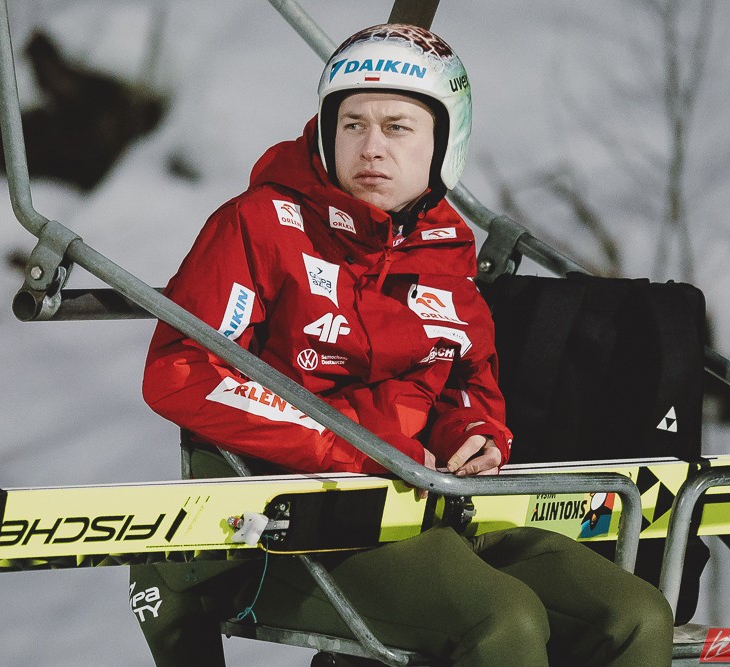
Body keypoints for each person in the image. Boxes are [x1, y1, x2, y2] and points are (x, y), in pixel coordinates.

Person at [133, 24, 673, 667]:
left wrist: (475, 435)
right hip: (299, 529)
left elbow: (466, 383)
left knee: (635, 617)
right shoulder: (263, 226)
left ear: (443, 145)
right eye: (352, 125)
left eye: (397, 128)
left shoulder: (445, 253)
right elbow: (185, 370)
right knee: (503, 623)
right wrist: (353, 448)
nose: (371, 148)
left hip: (431, 509)